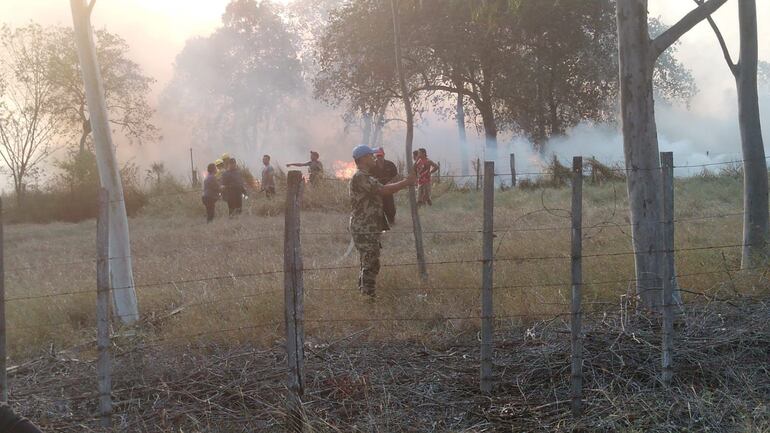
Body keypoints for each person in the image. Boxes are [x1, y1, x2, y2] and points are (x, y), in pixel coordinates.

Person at [349, 145, 415, 298]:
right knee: (371, 263)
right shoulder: (360, 176)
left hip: (368, 227)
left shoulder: (365, 176)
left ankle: (364, 294)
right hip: (364, 228)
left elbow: (382, 188)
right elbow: (383, 190)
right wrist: (407, 182)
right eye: (371, 155)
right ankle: (368, 297)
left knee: (368, 261)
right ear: (364, 158)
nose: (374, 157)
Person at [372, 147, 399, 225]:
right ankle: (379, 222)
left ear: (384, 155)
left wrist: (391, 182)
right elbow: (368, 177)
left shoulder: (390, 164)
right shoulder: (372, 166)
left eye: (381, 155)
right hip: (377, 189)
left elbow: (396, 176)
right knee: (377, 206)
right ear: (375, 156)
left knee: (390, 205)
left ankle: (391, 221)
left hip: (388, 188)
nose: (379, 157)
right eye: (378, 156)